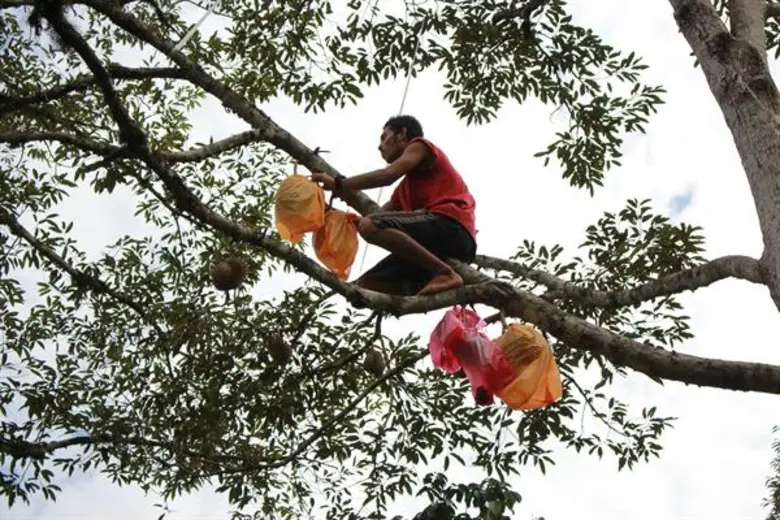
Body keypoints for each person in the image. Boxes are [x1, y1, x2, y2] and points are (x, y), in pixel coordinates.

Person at [311, 115, 477, 296]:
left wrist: (338, 184)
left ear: (402, 134)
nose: (380, 146)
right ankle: (422, 284)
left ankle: (444, 273)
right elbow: (379, 216)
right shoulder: (404, 190)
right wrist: (335, 214)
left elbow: (386, 176)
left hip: (453, 227)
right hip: (441, 245)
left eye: (384, 137)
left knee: (370, 225)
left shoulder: (420, 146)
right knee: (362, 288)